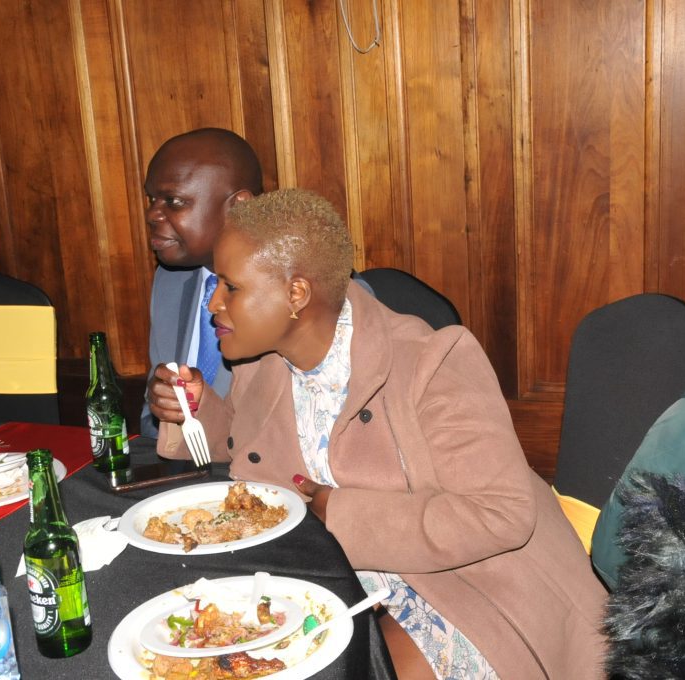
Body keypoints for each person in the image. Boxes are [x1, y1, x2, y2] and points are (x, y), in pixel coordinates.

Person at [154, 188, 608, 679]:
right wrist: (195, 411)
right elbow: (245, 450)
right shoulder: (264, 363)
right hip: (342, 581)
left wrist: (338, 514)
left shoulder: (432, 362)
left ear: (296, 295)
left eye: (230, 287)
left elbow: (501, 514)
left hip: (474, 589)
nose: (214, 303)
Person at [141, 128, 263, 437]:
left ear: (238, 208)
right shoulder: (171, 280)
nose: (152, 214)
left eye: (174, 201)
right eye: (152, 199)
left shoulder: (302, 293)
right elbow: (151, 424)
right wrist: (162, 404)